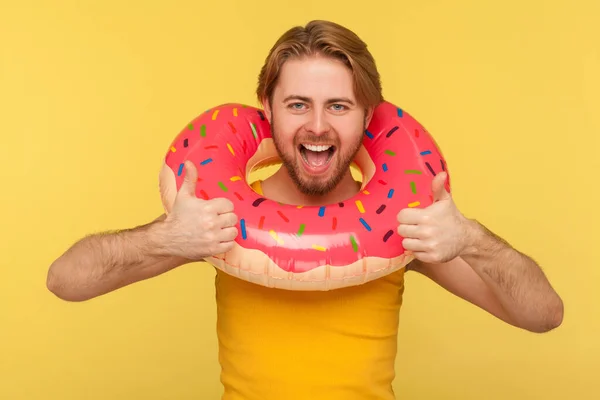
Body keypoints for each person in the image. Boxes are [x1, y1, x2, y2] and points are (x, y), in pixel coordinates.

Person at [47, 20, 564, 400]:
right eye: (298, 104)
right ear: (266, 109)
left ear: (368, 117)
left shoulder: (402, 230)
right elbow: (66, 280)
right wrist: (163, 237)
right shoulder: (216, 222)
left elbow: (542, 315)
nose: (317, 126)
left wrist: (470, 237)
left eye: (338, 106)